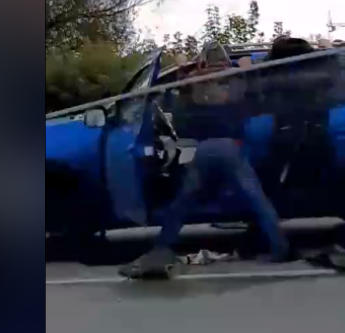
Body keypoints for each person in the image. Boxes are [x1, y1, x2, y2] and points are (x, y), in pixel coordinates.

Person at [119, 43, 291, 278]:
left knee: (182, 203)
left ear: (203, 61)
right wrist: (250, 71)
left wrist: (183, 71)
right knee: (256, 198)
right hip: (231, 147)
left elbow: (176, 110)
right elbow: (257, 102)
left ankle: (162, 246)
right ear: (224, 59)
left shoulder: (192, 82)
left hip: (203, 149)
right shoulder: (237, 80)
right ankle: (279, 247)